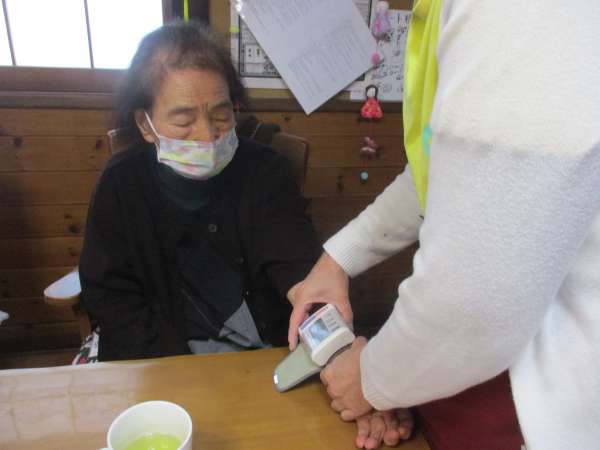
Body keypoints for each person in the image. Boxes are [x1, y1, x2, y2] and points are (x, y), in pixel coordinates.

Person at [79, 21, 410, 449]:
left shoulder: (264, 172)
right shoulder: (120, 184)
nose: (208, 134)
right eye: (183, 120)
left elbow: (302, 277)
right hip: (160, 360)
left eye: (221, 115)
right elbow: (111, 297)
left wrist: (348, 363)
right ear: (145, 124)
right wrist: (174, 377)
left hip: (264, 360)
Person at [288, 1, 600, 449]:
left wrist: (371, 378)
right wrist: (338, 259)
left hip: (545, 406)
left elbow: (476, 299)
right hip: (468, 373)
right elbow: (448, 170)